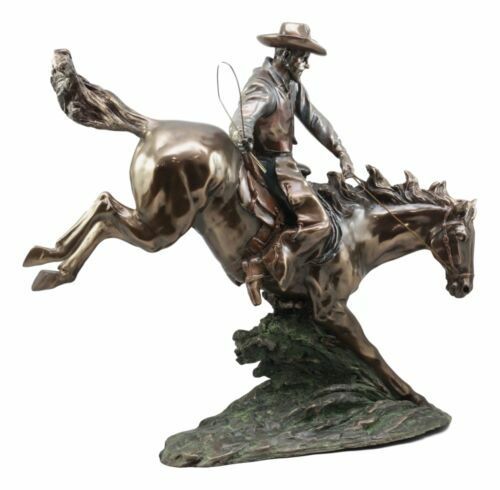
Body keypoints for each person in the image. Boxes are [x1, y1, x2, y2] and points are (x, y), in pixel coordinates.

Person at [230, 22, 354, 304]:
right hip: (271, 165)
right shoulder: (264, 85)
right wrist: (242, 135)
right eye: (302, 58)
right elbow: (242, 119)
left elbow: (315, 119)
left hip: (287, 163)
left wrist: (341, 152)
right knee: (320, 223)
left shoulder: (291, 86)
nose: (305, 65)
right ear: (285, 54)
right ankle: (262, 263)